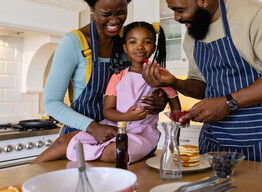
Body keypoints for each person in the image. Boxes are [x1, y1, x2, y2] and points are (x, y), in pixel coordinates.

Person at [142, 0, 262, 162]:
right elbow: (202, 87)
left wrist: (228, 103)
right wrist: (174, 82)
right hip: (214, 142)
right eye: (172, 10)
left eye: (180, 9)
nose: (176, 17)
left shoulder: (251, 14)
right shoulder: (192, 36)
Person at [42, 0, 168, 145]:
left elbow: (141, 84)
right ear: (92, 8)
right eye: (106, 14)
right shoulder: (74, 42)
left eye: (121, 12)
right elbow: (51, 103)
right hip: (80, 136)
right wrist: (94, 127)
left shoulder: (128, 41)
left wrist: (158, 99)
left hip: (119, 134)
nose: (115, 21)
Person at [32, 21, 181, 164]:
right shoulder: (118, 76)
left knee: (116, 151)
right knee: (62, 142)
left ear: (154, 47)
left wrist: (174, 141)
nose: (140, 47)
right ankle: (24, 177)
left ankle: (86, 154)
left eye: (146, 42)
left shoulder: (160, 74)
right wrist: (126, 117)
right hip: (108, 127)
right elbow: (108, 110)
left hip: (141, 133)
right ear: (125, 48)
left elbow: (175, 106)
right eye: (133, 42)